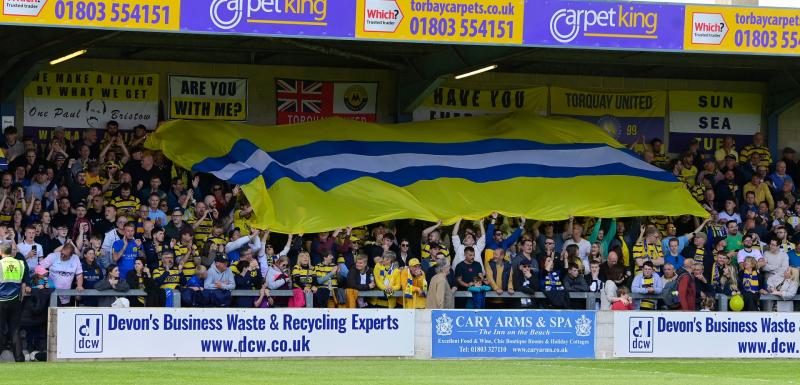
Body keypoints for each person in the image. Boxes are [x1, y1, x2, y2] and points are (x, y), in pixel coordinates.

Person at [0, 242, 30, 362]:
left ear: (1, 252)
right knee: (15, 330)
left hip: (1, 300)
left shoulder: (0, 264)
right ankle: (19, 357)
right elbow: (23, 283)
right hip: (16, 300)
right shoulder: (20, 263)